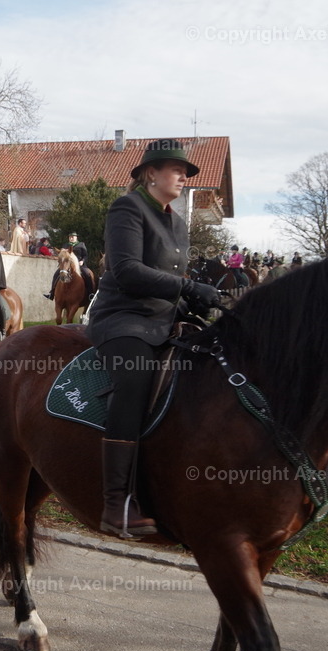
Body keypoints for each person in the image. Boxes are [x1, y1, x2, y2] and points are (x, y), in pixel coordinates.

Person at [85, 138, 220, 538]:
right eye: (176, 169)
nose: (183, 177)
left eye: (185, 172)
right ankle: (116, 503)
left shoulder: (178, 221)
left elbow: (169, 283)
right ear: (150, 173)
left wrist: (193, 305)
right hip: (123, 318)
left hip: (164, 319)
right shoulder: (127, 208)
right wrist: (188, 287)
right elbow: (126, 270)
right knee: (137, 374)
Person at [44, 232, 94, 301]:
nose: (71, 238)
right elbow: (62, 254)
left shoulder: (81, 245)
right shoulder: (66, 245)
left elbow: (85, 255)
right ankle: (52, 293)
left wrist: (82, 261)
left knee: (88, 274)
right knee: (56, 274)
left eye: (73, 237)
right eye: (70, 237)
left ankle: (90, 293)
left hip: (79, 265)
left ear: (76, 238)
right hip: (67, 265)